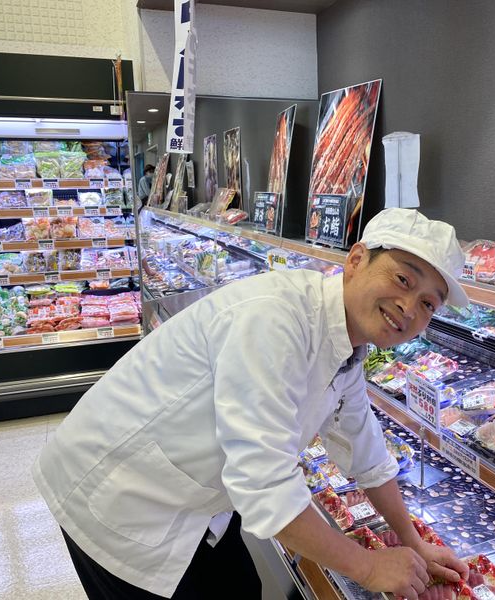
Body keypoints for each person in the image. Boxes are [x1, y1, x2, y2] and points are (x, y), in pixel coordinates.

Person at [32, 208, 471, 600]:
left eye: (428, 304)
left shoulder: (347, 342)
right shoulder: (276, 318)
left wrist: (412, 541)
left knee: (242, 587)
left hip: (196, 495)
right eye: (403, 279)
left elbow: (364, 448)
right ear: (356, 260)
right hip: (119, 495)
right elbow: (267, 487)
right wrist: (370, 568)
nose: (408, 307)